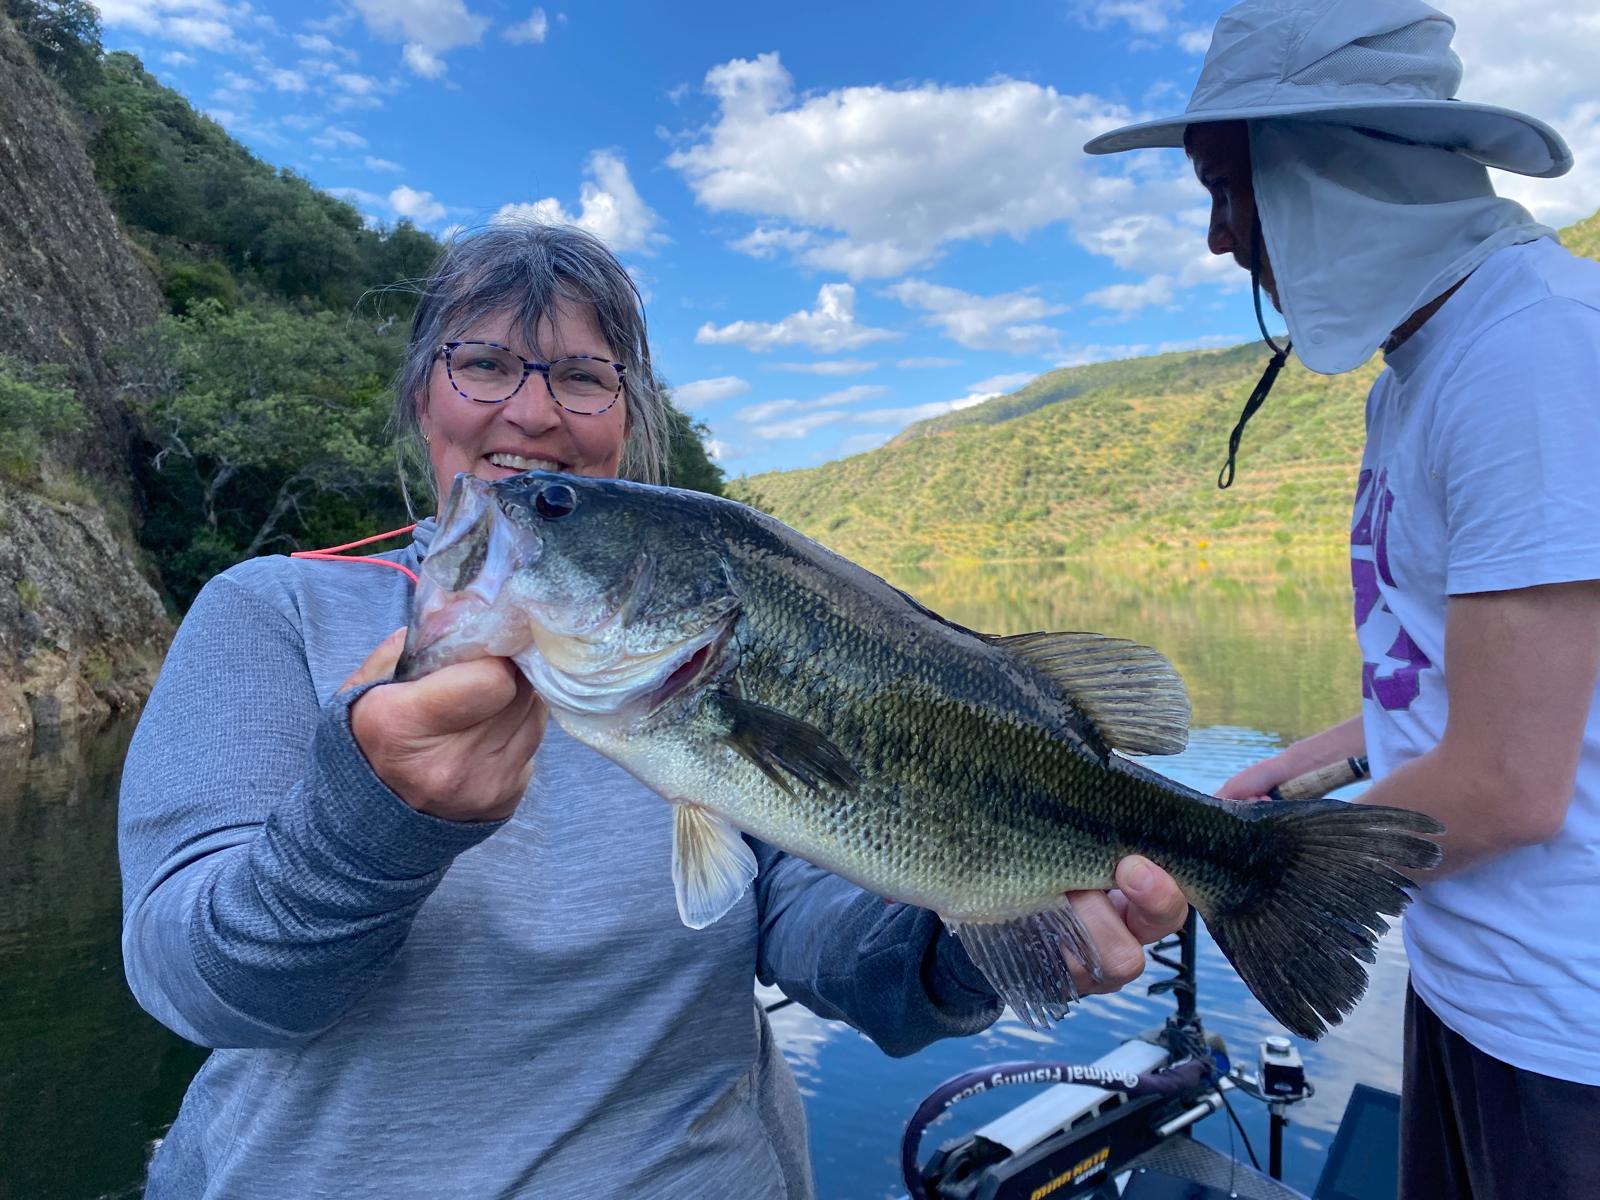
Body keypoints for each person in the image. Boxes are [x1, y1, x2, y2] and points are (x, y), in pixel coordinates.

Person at [117, 221, 1189, 1199]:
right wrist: (374, 821)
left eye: (583, 378)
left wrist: (976, 927)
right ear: (419, 395)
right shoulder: (270, 612)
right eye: (483, 362)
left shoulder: (703, 662)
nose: (529, 413)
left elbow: (826, 936)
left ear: (627, 422)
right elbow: (199, 987)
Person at [1085, 2, 1600, 1197]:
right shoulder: (1422, 373)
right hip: (1471, 989)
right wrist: (1305, 762)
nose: (1220, 241)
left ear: (1336, 166)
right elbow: (1474, 687)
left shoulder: (1529, 359)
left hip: (1571, 1031)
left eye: (1231, 190)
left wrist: (1223, 861)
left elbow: (1509, 785)